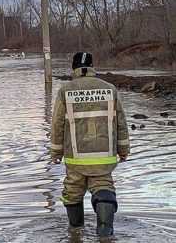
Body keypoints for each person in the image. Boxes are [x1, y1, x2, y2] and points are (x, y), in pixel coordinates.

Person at [51, 52, 130, 238]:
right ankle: (104, 233)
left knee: (72, 193)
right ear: (93, 67)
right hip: (104, 158)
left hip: (75, 159)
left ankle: (76, 232)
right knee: (104, 189)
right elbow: (121, 123)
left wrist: (55, 153)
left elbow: (57, 125)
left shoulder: (65, 91)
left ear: (74, 68)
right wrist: (124, 150)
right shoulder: (110, 89)